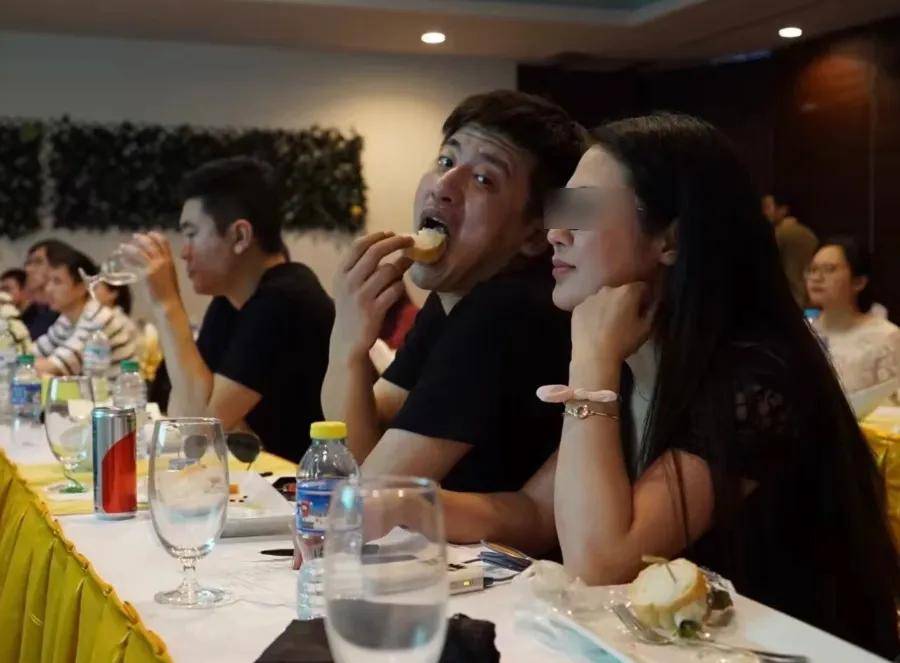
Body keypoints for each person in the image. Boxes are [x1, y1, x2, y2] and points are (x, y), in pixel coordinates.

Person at [441, 114, 899, 658]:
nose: (555, 232)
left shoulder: (756, 379)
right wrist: (398, 505)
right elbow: (537, 512)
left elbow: (602, 564)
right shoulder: (642, 357)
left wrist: (591, 364)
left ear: (671, 240)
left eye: (584, 210)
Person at [321, 90, 585, 492]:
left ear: (533, 235)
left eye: (484, 179)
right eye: (446, 160)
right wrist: (349, 345)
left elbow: (371, 493)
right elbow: (358, 450)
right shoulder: (453, 297)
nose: (443, 185)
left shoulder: (505, 311)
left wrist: (346, 345)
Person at [123, 156, 334, 463]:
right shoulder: (228, 302)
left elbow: (199, 431)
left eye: (191, 233)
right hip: (262, 477)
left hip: (311, 486)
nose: (183, 253)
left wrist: (167, 304)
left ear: (240, 236)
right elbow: (183, 413)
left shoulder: (286, 299)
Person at [806, 236, 900, 399]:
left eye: (829, 269)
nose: (816, 277)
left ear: (859, 282)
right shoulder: (802, 332)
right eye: (812, 269)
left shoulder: (887, 337)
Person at [34, 244, 137, 376]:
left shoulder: (99, 318)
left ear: (82, 287)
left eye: (57, 282)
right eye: (48, 281)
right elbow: (32, 353)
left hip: (118, 389)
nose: (48, 289)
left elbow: (55, 367)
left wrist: (21, 363)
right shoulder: (65, 319)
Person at [761, 193, 817, 307]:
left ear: (783, 210)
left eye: (767, 207)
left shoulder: (781, 234)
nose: (763, 213)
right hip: (812, 298)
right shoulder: (807, 232)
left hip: (794, 300)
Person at [22, 240, 63, 339]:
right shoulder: (30, 314)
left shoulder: (68, 312)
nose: (28, 269)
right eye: (28, 263)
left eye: (38, 262)